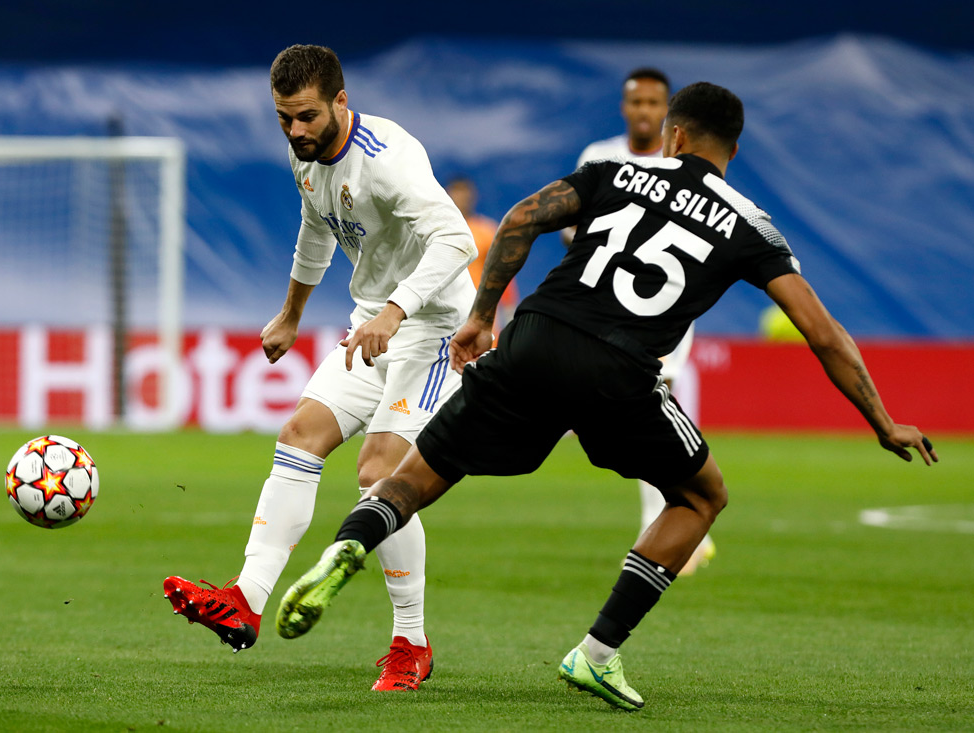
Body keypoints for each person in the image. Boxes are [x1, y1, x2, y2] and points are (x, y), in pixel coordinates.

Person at [274, 82, 938, 710]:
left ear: (674, 136)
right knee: (703, 495)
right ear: (731, 150)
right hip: (619, 371)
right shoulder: (751, 225)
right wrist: (882, 422)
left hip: (534, 337)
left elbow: (520, 219)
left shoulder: (617, 172)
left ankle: (350, 544)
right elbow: (821, 331)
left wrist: (480, 316)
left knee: (412, 478)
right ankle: (597, 650)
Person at [163, 44, 478, 692]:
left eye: (306, 116)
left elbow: (455, 239)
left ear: (340, 101)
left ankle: (410, 642)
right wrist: (290, 315)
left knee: (380, 471)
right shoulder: (306, 154)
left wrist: (395, 311)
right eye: (284, 119)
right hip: (375, 324)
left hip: (435, 333)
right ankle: (246, 600)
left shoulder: (389, 162)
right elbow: (316, 228)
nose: (296, 131)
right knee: (300, 436)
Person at [568, 67, 715, 574]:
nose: (645, 111)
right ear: (626, 107)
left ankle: (671, 525)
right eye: (637, 102)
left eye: (655, 103)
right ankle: (685, 520)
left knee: (652, 410)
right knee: (631, 416)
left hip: (663, 310)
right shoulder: (599, 157)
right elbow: (571, 225)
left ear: (668, 111)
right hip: (603, 308)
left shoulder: (687, 166)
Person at [445, 175, 520, 329]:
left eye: (465, 193)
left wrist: (510, 313)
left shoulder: (487, 230)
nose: (461, 198)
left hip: (482, 321)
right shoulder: (437, 231)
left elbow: (502, 273)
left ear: (473, 196)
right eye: (456, 192)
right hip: (445, 319)